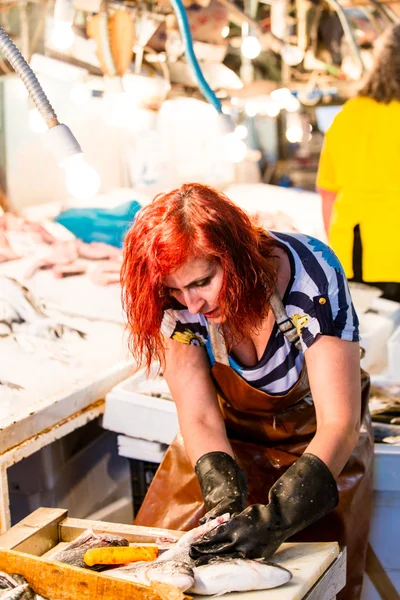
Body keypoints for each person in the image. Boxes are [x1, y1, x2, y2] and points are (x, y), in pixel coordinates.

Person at [121, 183, 373, 600]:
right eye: (176, 290)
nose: (193, 304)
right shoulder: (173, 301)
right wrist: (221, 491)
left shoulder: (310, 274)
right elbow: (200, 416)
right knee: (159, 575)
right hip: (224, 439)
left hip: (317, 445)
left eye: (203, 281)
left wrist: (280, 515)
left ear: (236, 256)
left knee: (318, 580)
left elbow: (339, 422)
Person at [316, 24, 400, 302]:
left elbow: (328, 193)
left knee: (371, 339)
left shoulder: (350, 113)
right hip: (380, 253)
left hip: (355, 251)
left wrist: (337, 252)